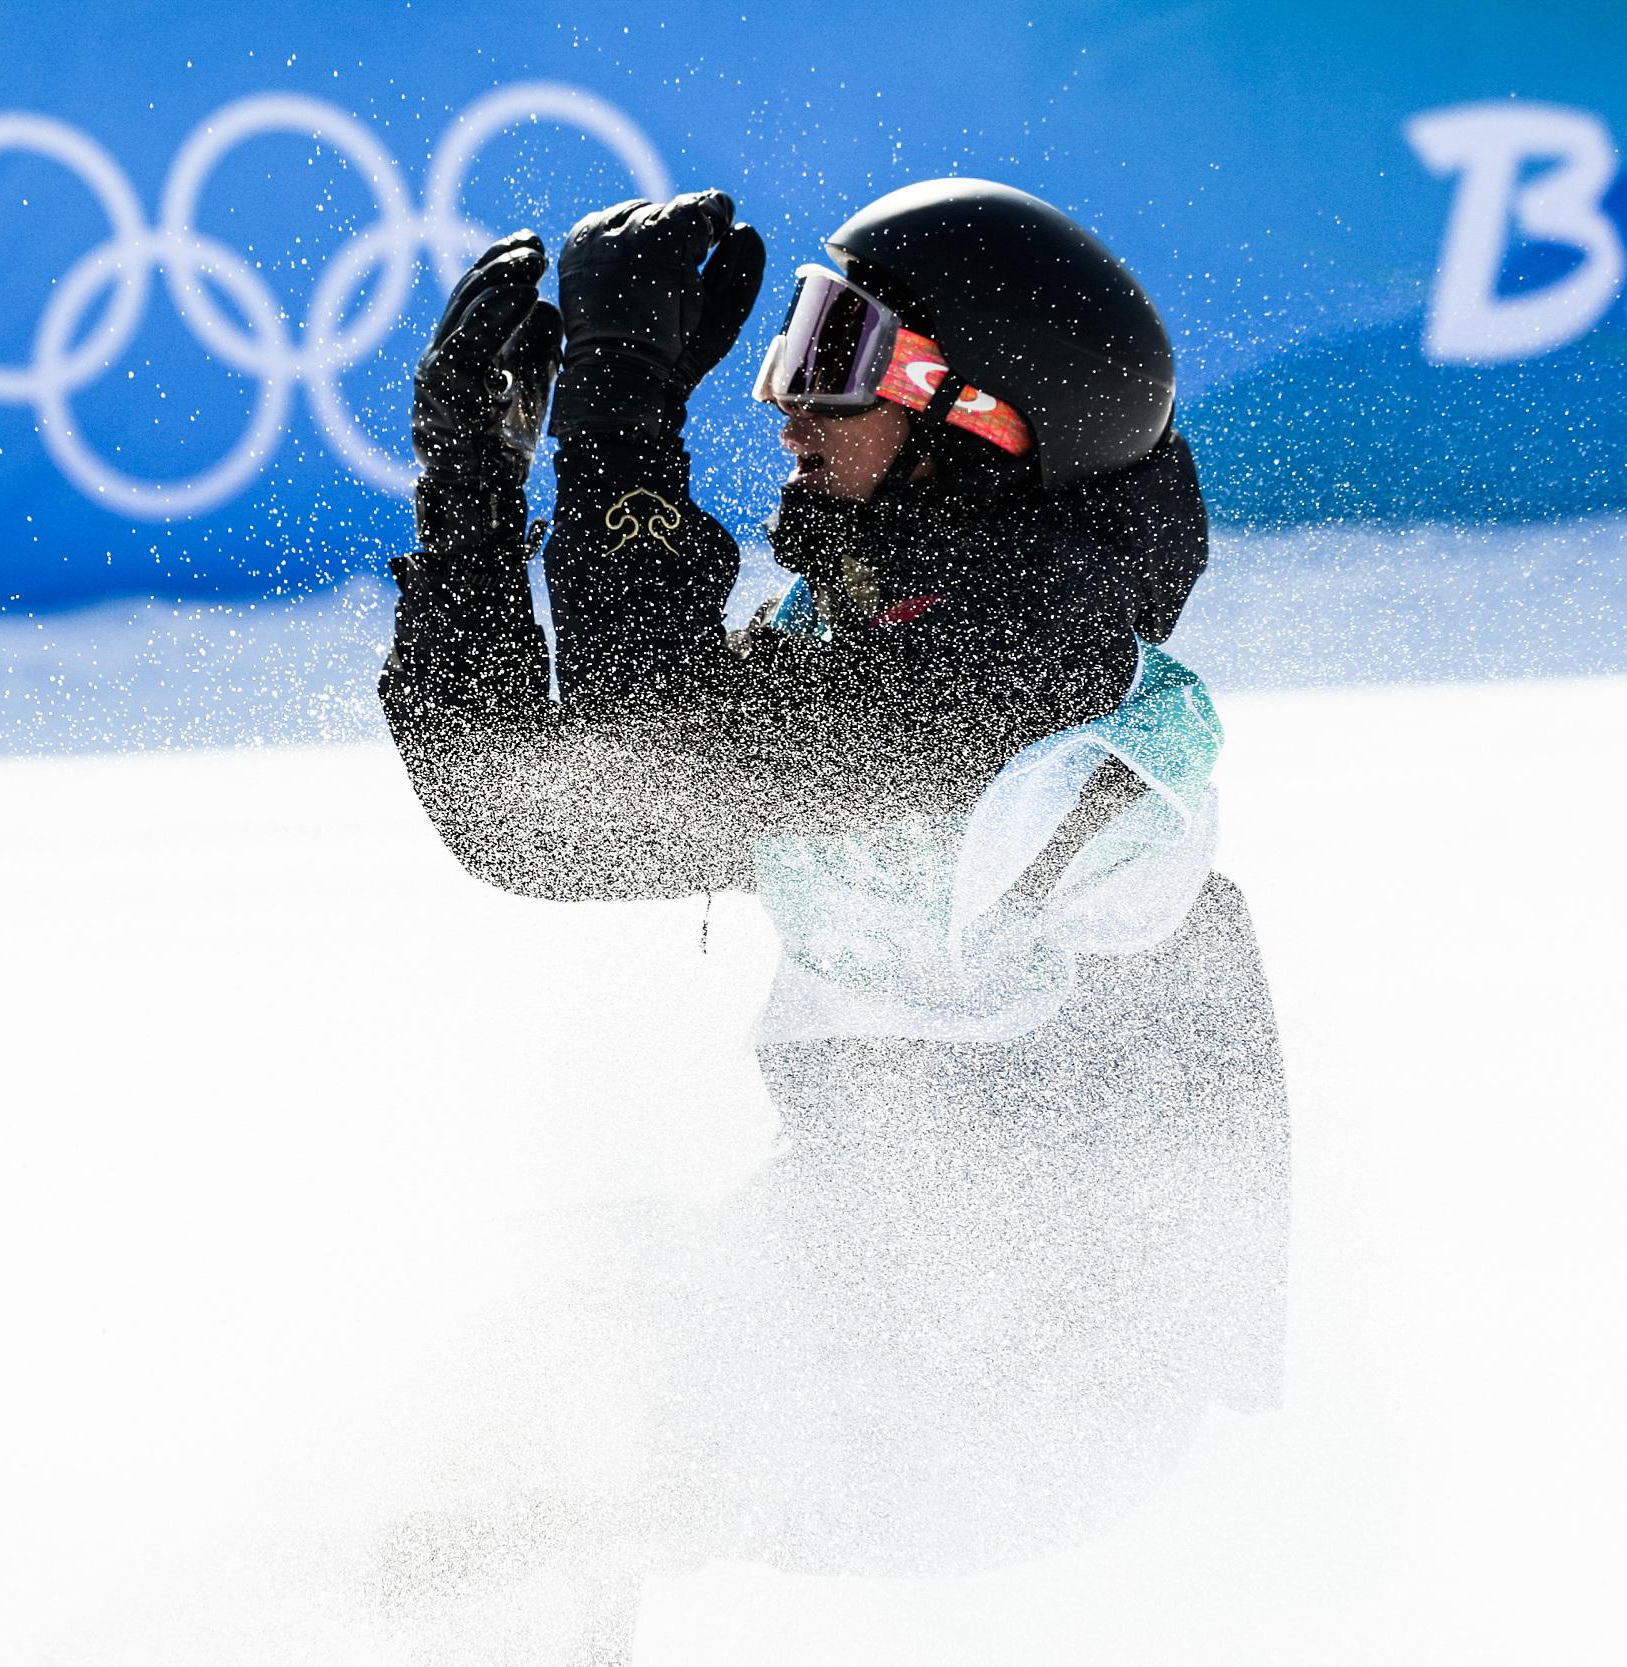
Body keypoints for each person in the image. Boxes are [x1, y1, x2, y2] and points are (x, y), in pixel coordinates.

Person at [377, 179, 1289, 1664]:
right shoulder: (897, 636)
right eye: (799, 336)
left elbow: (654, 745)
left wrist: (621, 414)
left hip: (1030, 1388)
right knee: (547, 1337)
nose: (784, 402)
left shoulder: (1037, 692)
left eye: (838, 356)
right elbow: (540, 822)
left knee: (556, 1445)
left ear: (975, 415)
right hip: (890, 1308)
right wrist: (470, 488)